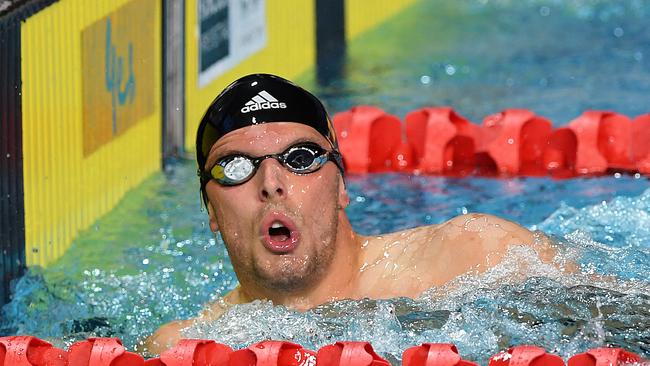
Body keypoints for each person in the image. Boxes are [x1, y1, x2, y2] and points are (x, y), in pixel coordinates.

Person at [144, 73, 560, 354]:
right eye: (235, 167)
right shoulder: (192, 345)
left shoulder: (476, 254)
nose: (271, 182)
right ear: (211, 210)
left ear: (342, 186)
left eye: (300, 157)